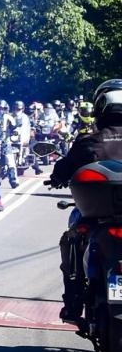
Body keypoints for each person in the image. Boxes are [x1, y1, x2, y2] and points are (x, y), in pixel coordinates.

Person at [46, 88, 122, 330]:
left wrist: (57, 178)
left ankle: (72, 302)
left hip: (95, 215)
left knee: (72, 239)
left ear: (100, 111)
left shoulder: (89, 140)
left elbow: (64, 168)